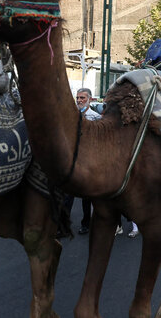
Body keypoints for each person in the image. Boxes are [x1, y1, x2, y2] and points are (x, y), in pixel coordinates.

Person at [75, 88, 100, 235]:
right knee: (67, 196)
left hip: (89, 161)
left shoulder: (96, 117)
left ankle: (87, 223)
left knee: (87, 197)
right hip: (74, 159)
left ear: (89, 99)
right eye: (77, 98)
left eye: (82, 98)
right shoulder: (71, 115)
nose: (79, 101)